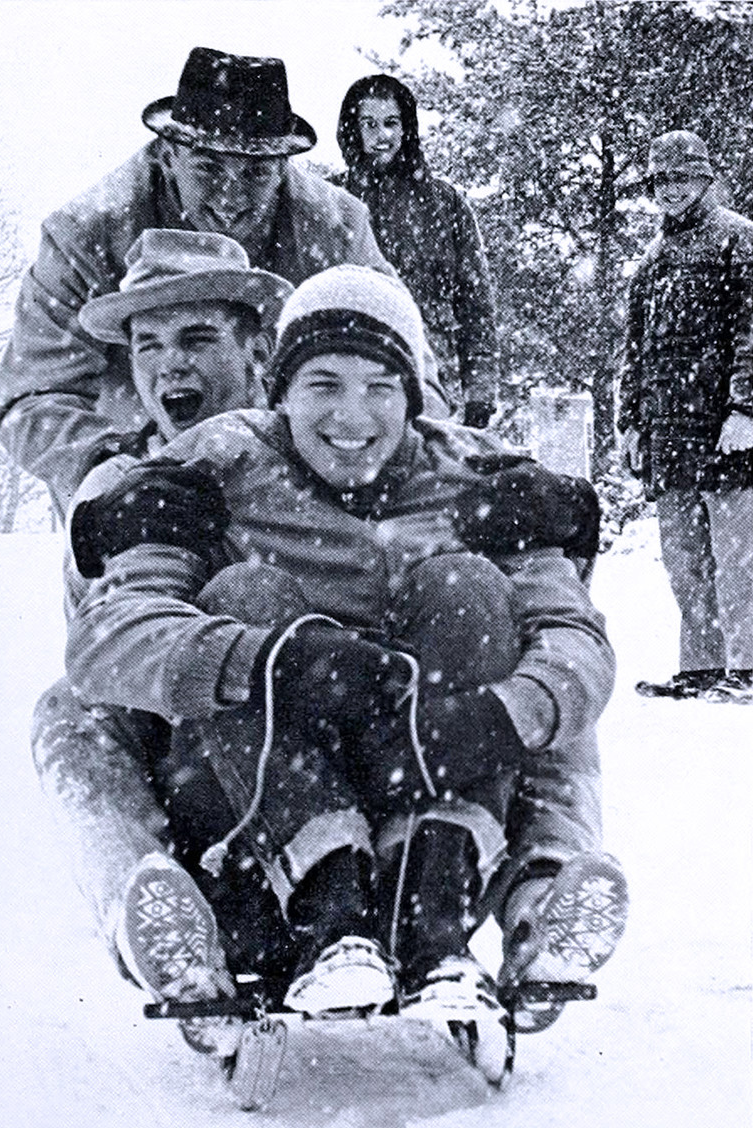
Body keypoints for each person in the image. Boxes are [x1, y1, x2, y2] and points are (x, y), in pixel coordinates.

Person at [65, 265, 628, 1060]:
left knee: (490, 615)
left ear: (415, 396)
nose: (352, 416)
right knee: (232, 599)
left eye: (380, 387)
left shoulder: (482, 479)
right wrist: (270, 660)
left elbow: (576, 638)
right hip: (256, 819)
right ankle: (188, 927)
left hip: (430, 807)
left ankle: (528, 898)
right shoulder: (213, 465)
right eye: (323, 384)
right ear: (280, 392)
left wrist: (495, 715)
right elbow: (104, 639)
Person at [31, 229, 298, 1056]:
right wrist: (104, 542)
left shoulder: (315, 447)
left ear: (256, 352)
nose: (169, 365)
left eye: (196, 338)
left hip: (314, 751)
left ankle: (538, 888)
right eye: (148, 345)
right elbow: (97, 655)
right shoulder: (117, 483)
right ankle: (155, 914)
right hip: (193, 773)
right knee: (67, 713)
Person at [0, 47, 397, 520]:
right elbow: (32, 399)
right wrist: (125, 473)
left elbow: (406, 370)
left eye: (255, 172)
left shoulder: (335, 230)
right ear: (168, 156)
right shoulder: (85, 236)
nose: (231, 198)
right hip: (132, 471)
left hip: (294, 479)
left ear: (283, 168)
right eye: (207, 168)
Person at [618, 130, 753, 704]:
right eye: (661, 180)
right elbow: (636, 348)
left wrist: (745, 406)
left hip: (725, 427)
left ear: (705, 178)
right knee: (684, 558)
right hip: (669, 430)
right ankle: (701, 666)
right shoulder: (652, 258)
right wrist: (630, 420)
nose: (670, 190)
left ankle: (747, 667)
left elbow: (751, 331)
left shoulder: (739, 239)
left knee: (738, 556)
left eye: (681, 178)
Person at [334, 74, 499, 428]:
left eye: (391, 123)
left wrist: (480, 389)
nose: (382, 136)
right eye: (370, 124)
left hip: (433, 380)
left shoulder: (445, 203)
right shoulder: (333, 202)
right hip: (354, 375)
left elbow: (475, 304)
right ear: (354, 129)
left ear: (406, 128)